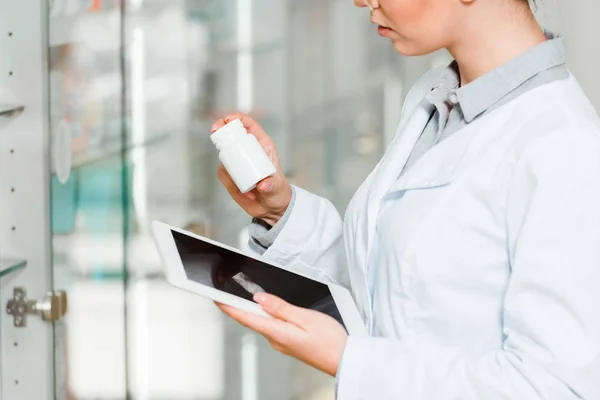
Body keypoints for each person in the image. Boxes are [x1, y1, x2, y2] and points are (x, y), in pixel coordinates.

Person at [211, 0, 600, 398]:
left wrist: (350, 360)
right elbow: (393, 294)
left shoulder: (563, 147)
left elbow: (555, 389)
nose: (362, 1)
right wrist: (283, 213)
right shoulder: (436, 100)